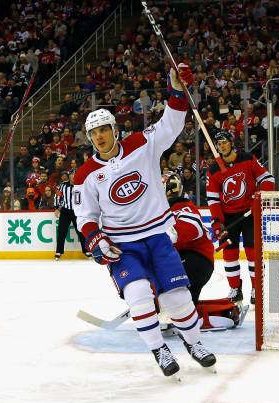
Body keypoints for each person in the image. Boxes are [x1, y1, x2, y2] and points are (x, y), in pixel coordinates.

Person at [73, 64, 216, 377]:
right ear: (89, 137)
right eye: (94, 133)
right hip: (124, 244)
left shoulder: (141, 144)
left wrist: (176, 89)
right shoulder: (84, 175)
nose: (100, 136)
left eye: (104, 129)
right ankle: (159, 349)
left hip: (157, 234)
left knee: (177, 298)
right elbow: (86, 216)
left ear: (115, 130)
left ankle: (194, 343)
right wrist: (95, 239)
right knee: (138, 294)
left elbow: (171, 124)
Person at [163, 171, 242, 330]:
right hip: (195, 262)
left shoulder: (181, 206)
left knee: (166, 283)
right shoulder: (168, 209)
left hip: (195, 262)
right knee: (186, 306)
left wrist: (165, 237)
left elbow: (194, 227)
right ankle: (221, 312)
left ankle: (175, 315)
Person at [206, 129, 275, 304]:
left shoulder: (247, 159)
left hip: (250, 213)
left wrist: (258, 198)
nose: (221, 146)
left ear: (232, 142)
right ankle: (235, 289)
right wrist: (216, 221)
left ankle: (255, 288)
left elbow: (268, 180)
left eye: (224, 142)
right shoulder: (213, 169)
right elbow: (213, 199)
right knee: (229, 254)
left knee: (253, 253)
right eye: (218, 143)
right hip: (228, 218)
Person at [54, 171, 88, 260]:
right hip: (65, 211)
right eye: (72, 177)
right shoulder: (63, 185)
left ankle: (86, 250)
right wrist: (57, 208)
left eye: (74, 177)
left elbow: (86, 198)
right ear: (69, 177)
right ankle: (58, 251)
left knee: (81, 231)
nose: (73, 178)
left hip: (77, 212)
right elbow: (58, 196)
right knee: (61, 232)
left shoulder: (81, 185)